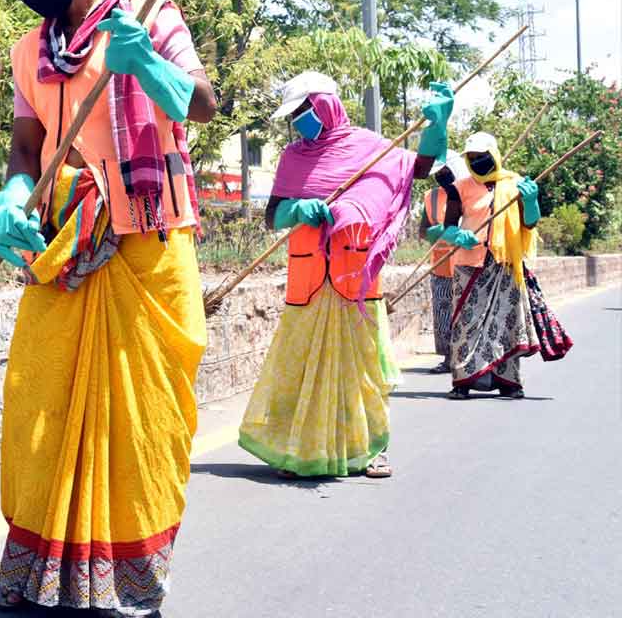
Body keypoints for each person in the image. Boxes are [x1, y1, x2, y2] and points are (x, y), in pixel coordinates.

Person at [0, 0, 216, 616]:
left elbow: (203, 104)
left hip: (149, 238)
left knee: (142, 419)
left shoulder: (150, 13)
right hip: (64, 245)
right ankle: (39, 576)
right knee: (40, 405)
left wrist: (145, 60)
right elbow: (28, 147)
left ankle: (131, 583)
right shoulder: (31, 50)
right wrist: (14, 200)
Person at [237, 73, 445, 480]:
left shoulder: (371, 148)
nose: (299, 121)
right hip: (308, 282)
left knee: (362, 373)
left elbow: (419, 168)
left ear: (325, 105)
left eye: (303, 111)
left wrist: (438, 127)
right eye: (295, 115)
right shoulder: (292, 158)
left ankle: (370, 450)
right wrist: (296, 211)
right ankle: (298, 451)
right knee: (299, 370)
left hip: (356, 279)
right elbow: (271, 216)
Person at [435, 132, 572, 399]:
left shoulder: (515, 184)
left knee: (505, 323)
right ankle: (462, 382)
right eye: (471, 158)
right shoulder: (460, 187)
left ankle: (509, 382)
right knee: (467, 323)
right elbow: (448, 227)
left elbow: (530, 223)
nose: (477, 163)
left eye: (481, 157)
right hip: (469, 264)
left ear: (493, 156)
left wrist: (531, 202)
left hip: (505, 264)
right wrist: (455, 236)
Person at [418, 150, 472, 374]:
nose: (441, 176)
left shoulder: (470, 191)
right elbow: (422, 230)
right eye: (438, 173)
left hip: (467, 262)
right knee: (442, 311)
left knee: (466, 311)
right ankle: (448, 357)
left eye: (445, 172)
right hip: (440, 262)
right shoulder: (431, 197)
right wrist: (434, 232)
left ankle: (467, 357)